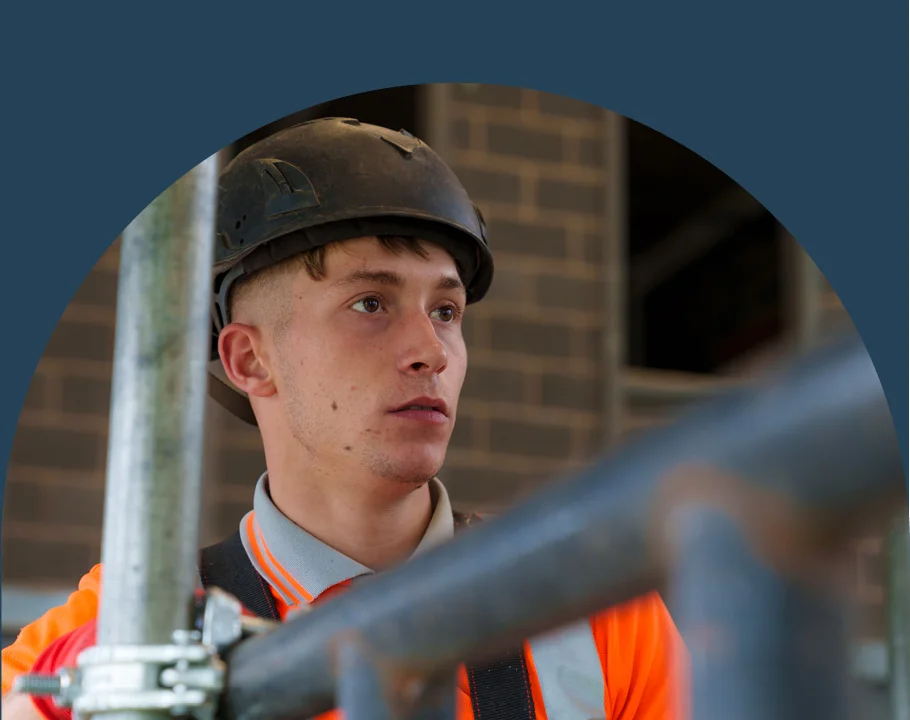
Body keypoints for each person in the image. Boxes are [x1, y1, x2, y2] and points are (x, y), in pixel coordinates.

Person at [2, 117, 688, 720]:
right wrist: (92, 681)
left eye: (445, 312)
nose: (430, 352)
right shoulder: (133, 617)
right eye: (371, 304)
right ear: (249, 359)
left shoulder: (593, 605)